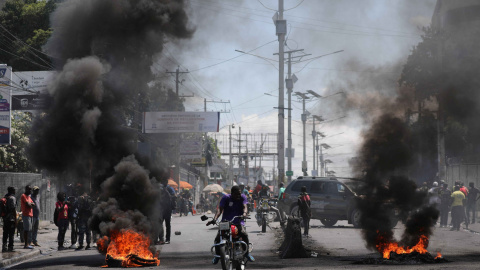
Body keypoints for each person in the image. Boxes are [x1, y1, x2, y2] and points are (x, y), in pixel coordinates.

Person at [207, 185, 254, 264]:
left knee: (244, 234)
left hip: (238, 222)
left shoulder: (243, 197)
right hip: (225, 222)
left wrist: (244, 214)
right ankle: (218, 255)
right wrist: (215, 219)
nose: (238, 196)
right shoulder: (226, 198)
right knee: (218, 238)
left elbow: (244, 207)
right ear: (231, 193)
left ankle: (247, 253)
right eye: (236, 194)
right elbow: (220, 210)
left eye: (239, 193)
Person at [2, 187, 16, 252]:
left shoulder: (5, 197)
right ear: (12, 191)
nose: (15, 191)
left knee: (5, 233)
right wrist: (16, 219)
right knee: (11, 233)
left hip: (5, 219)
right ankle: (10, 247)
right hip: (11, 219)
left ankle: (4, 247)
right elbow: (13, 209)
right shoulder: (12, 198)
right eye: (14, 190)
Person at [20, 185, 35, 249]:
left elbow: (33, 204)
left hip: (30, 215)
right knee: (26, 230)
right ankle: (26, 244)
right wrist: (30, 204)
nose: (30, 191)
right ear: (26, 189)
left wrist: (31, 204)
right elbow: (28, 204)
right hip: (26, 215)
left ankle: (28, 243)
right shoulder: (23, 196)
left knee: (29, 230)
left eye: (31, 189)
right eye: (29, 189)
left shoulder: (29, 197)